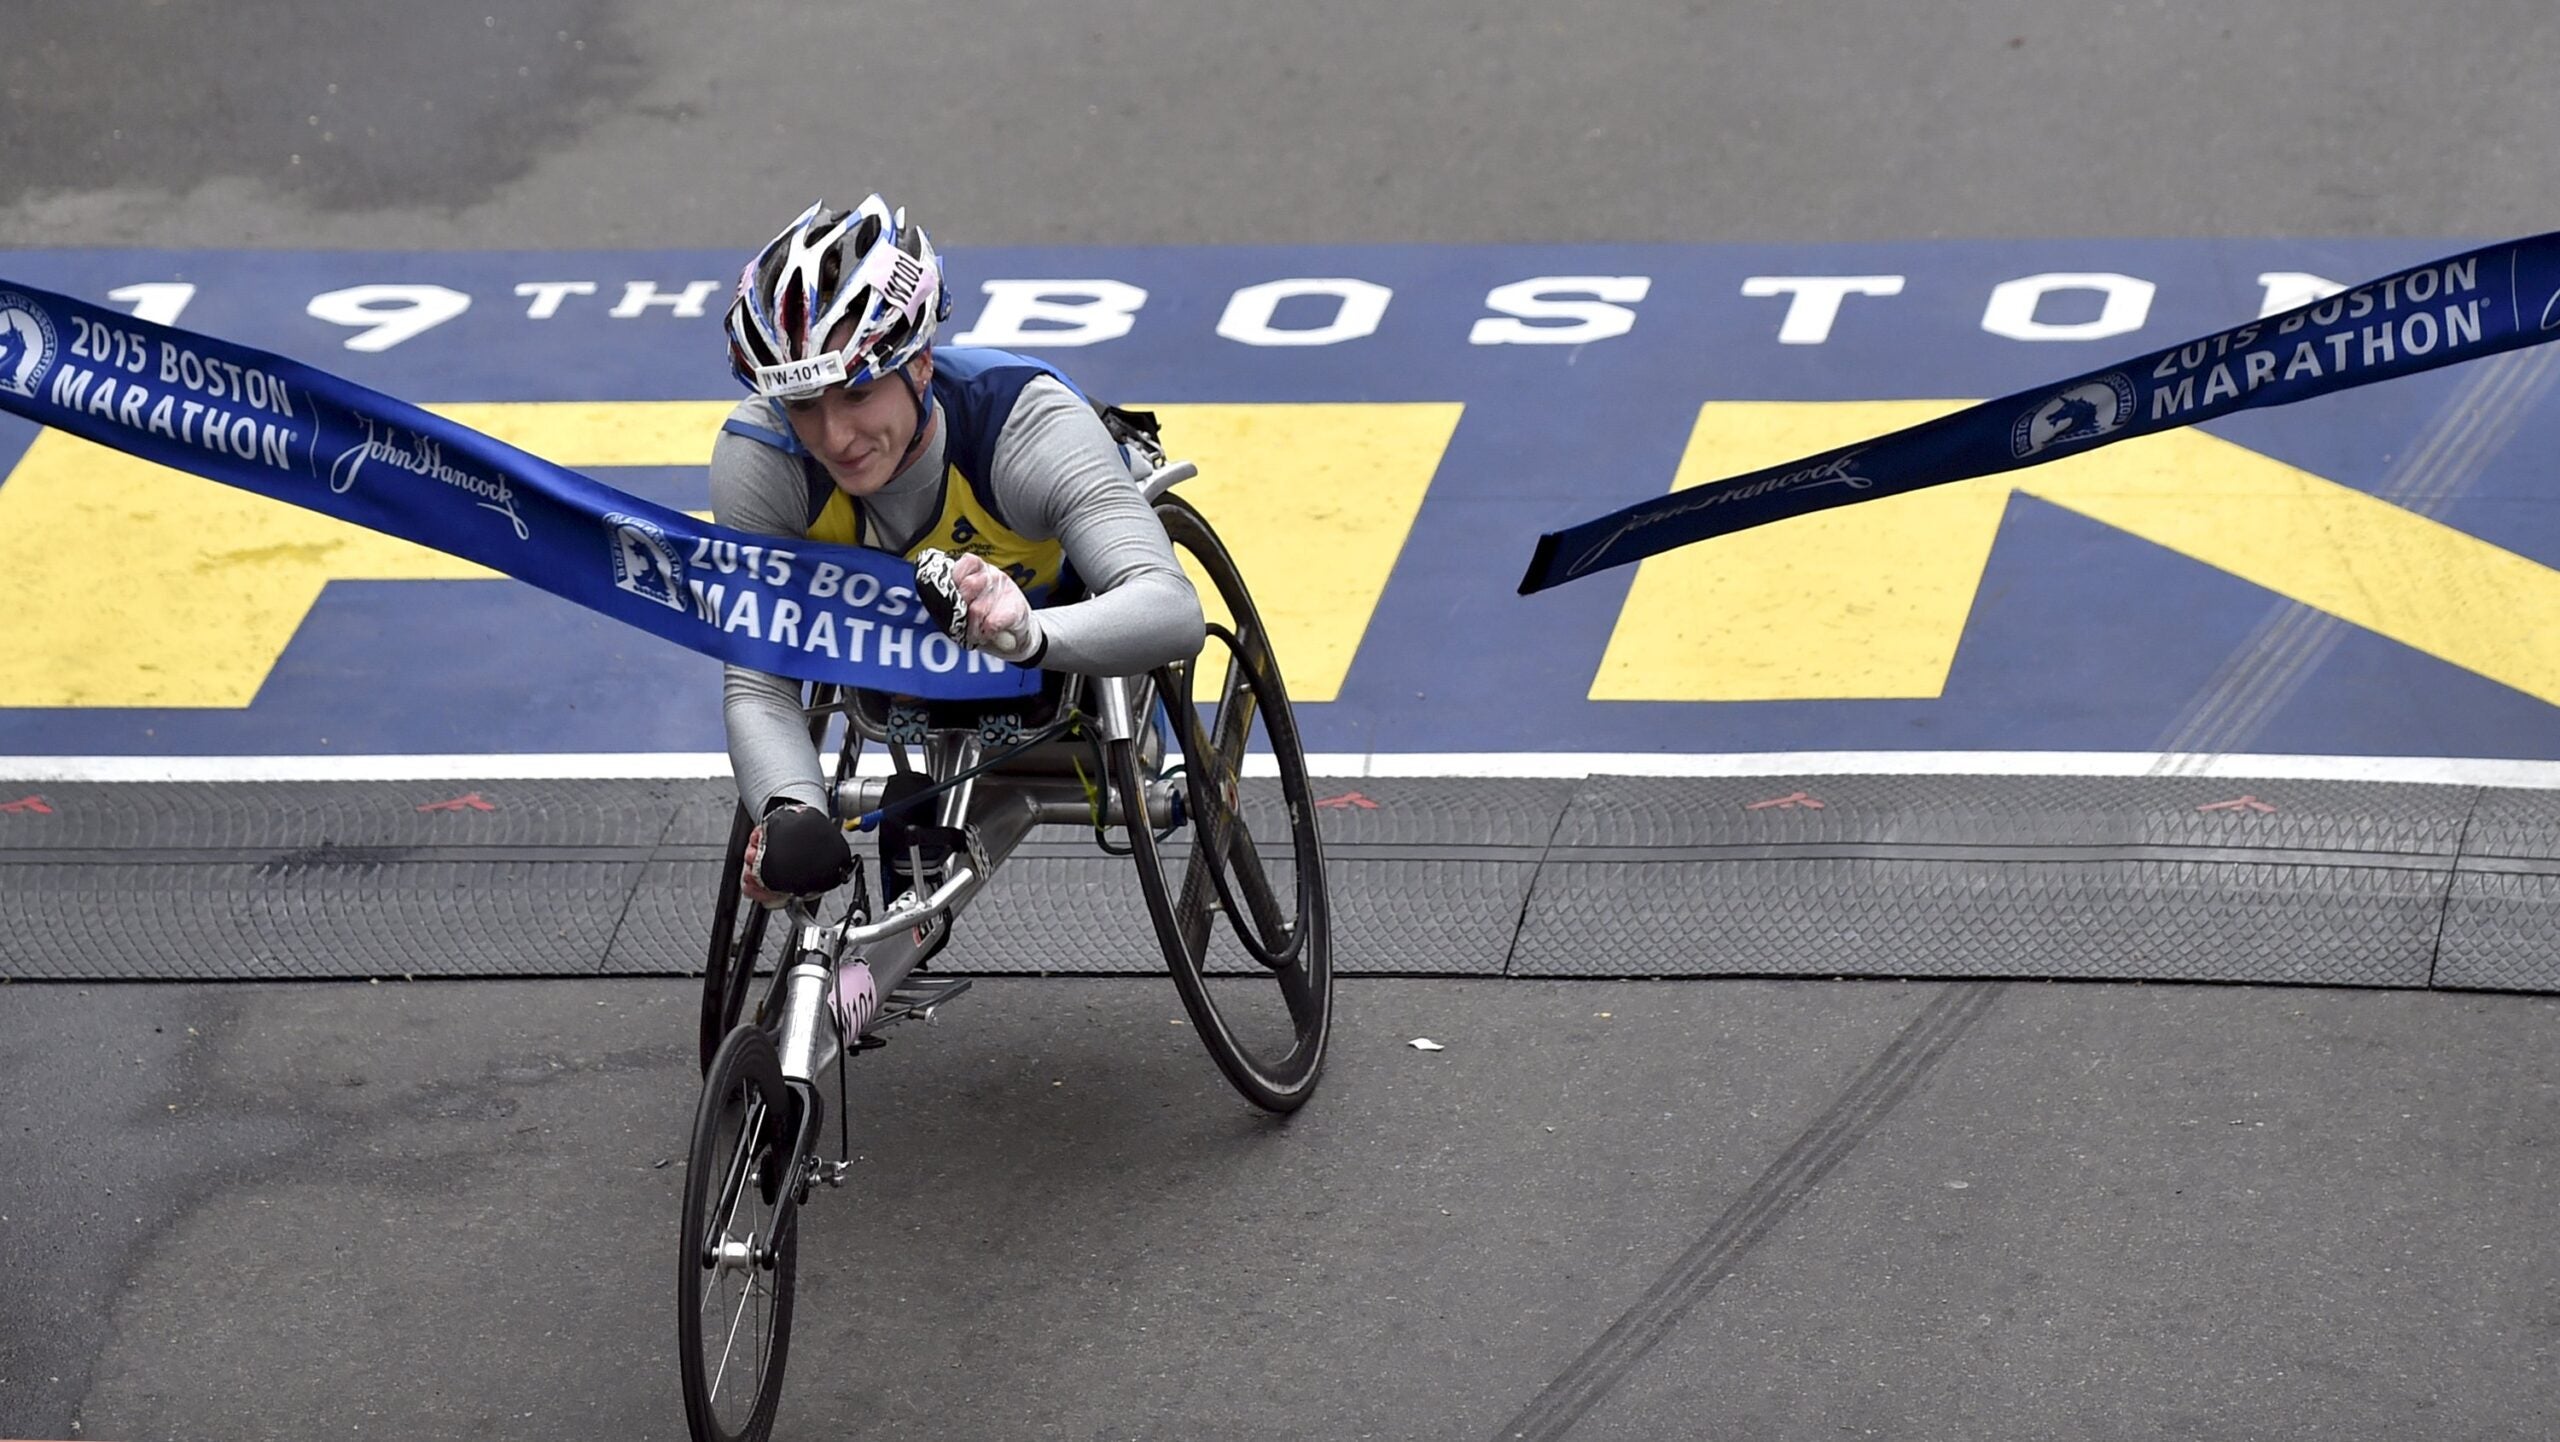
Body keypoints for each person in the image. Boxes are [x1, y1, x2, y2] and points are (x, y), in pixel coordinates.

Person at [712, 195, 1203, 908]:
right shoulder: (761, 460)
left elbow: (1172, 610)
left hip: (1059, 655)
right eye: (803, 404)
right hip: (886, 669)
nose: (834, 435)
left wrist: (1030, 635)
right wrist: (791, 812)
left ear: (918, 365)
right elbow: (758, 679)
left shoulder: (1027, 429)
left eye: (856, 392)